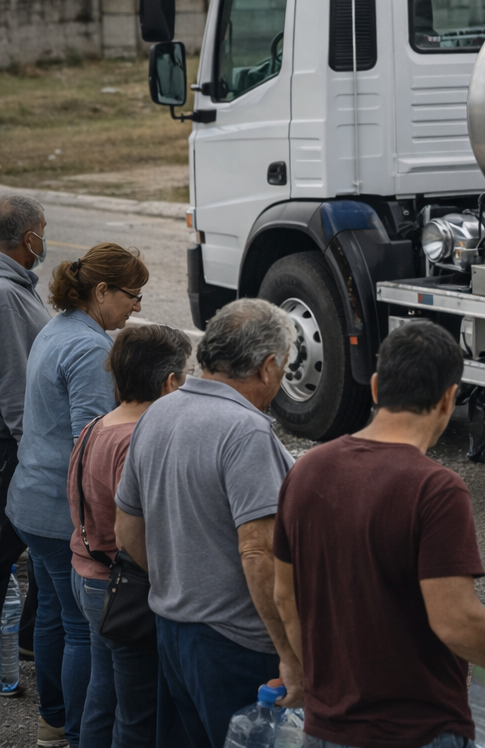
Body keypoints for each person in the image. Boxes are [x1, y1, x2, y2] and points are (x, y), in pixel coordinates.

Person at [272, 321, 485, 748]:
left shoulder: (307, 470)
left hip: (325, 730)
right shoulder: (435, 488)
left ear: (375, 388)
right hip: (417, 732)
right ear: (449, 398)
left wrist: (317, 687)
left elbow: (285, 596)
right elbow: (455, 622)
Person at [113, 298, 299, 748]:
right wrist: (291, 654)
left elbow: (126, 531)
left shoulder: (158, 411)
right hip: (236, 644)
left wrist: (184, 579)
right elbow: (259, 553)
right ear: (268, 366)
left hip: (171, 627)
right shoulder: (245, 431)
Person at [10, 243, 147, 748]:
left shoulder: (60, 325)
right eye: (132, 295)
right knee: (79, 629)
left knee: (50, 615)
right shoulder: (91, 348)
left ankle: (52, 722)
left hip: (29, 497)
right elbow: (90, 442)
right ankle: (74, 730)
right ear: (103, 290)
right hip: (57, 512)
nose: (136, 306)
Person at [69, 324, 191, 748]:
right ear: (169, 382)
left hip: (87, 573)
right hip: (119, 586)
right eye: (185, 374)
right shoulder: (136, 438)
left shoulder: (98, 425)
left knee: (103, 694)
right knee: (137, 714)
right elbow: (132, 532)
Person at [0, 195, 50, 683]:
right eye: (42, 229)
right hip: (11, 447)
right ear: (26, 237)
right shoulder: (6, 294)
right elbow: (14, 383)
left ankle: (29, 638)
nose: (44, 239)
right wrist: (29, 449)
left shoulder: (19, 285)